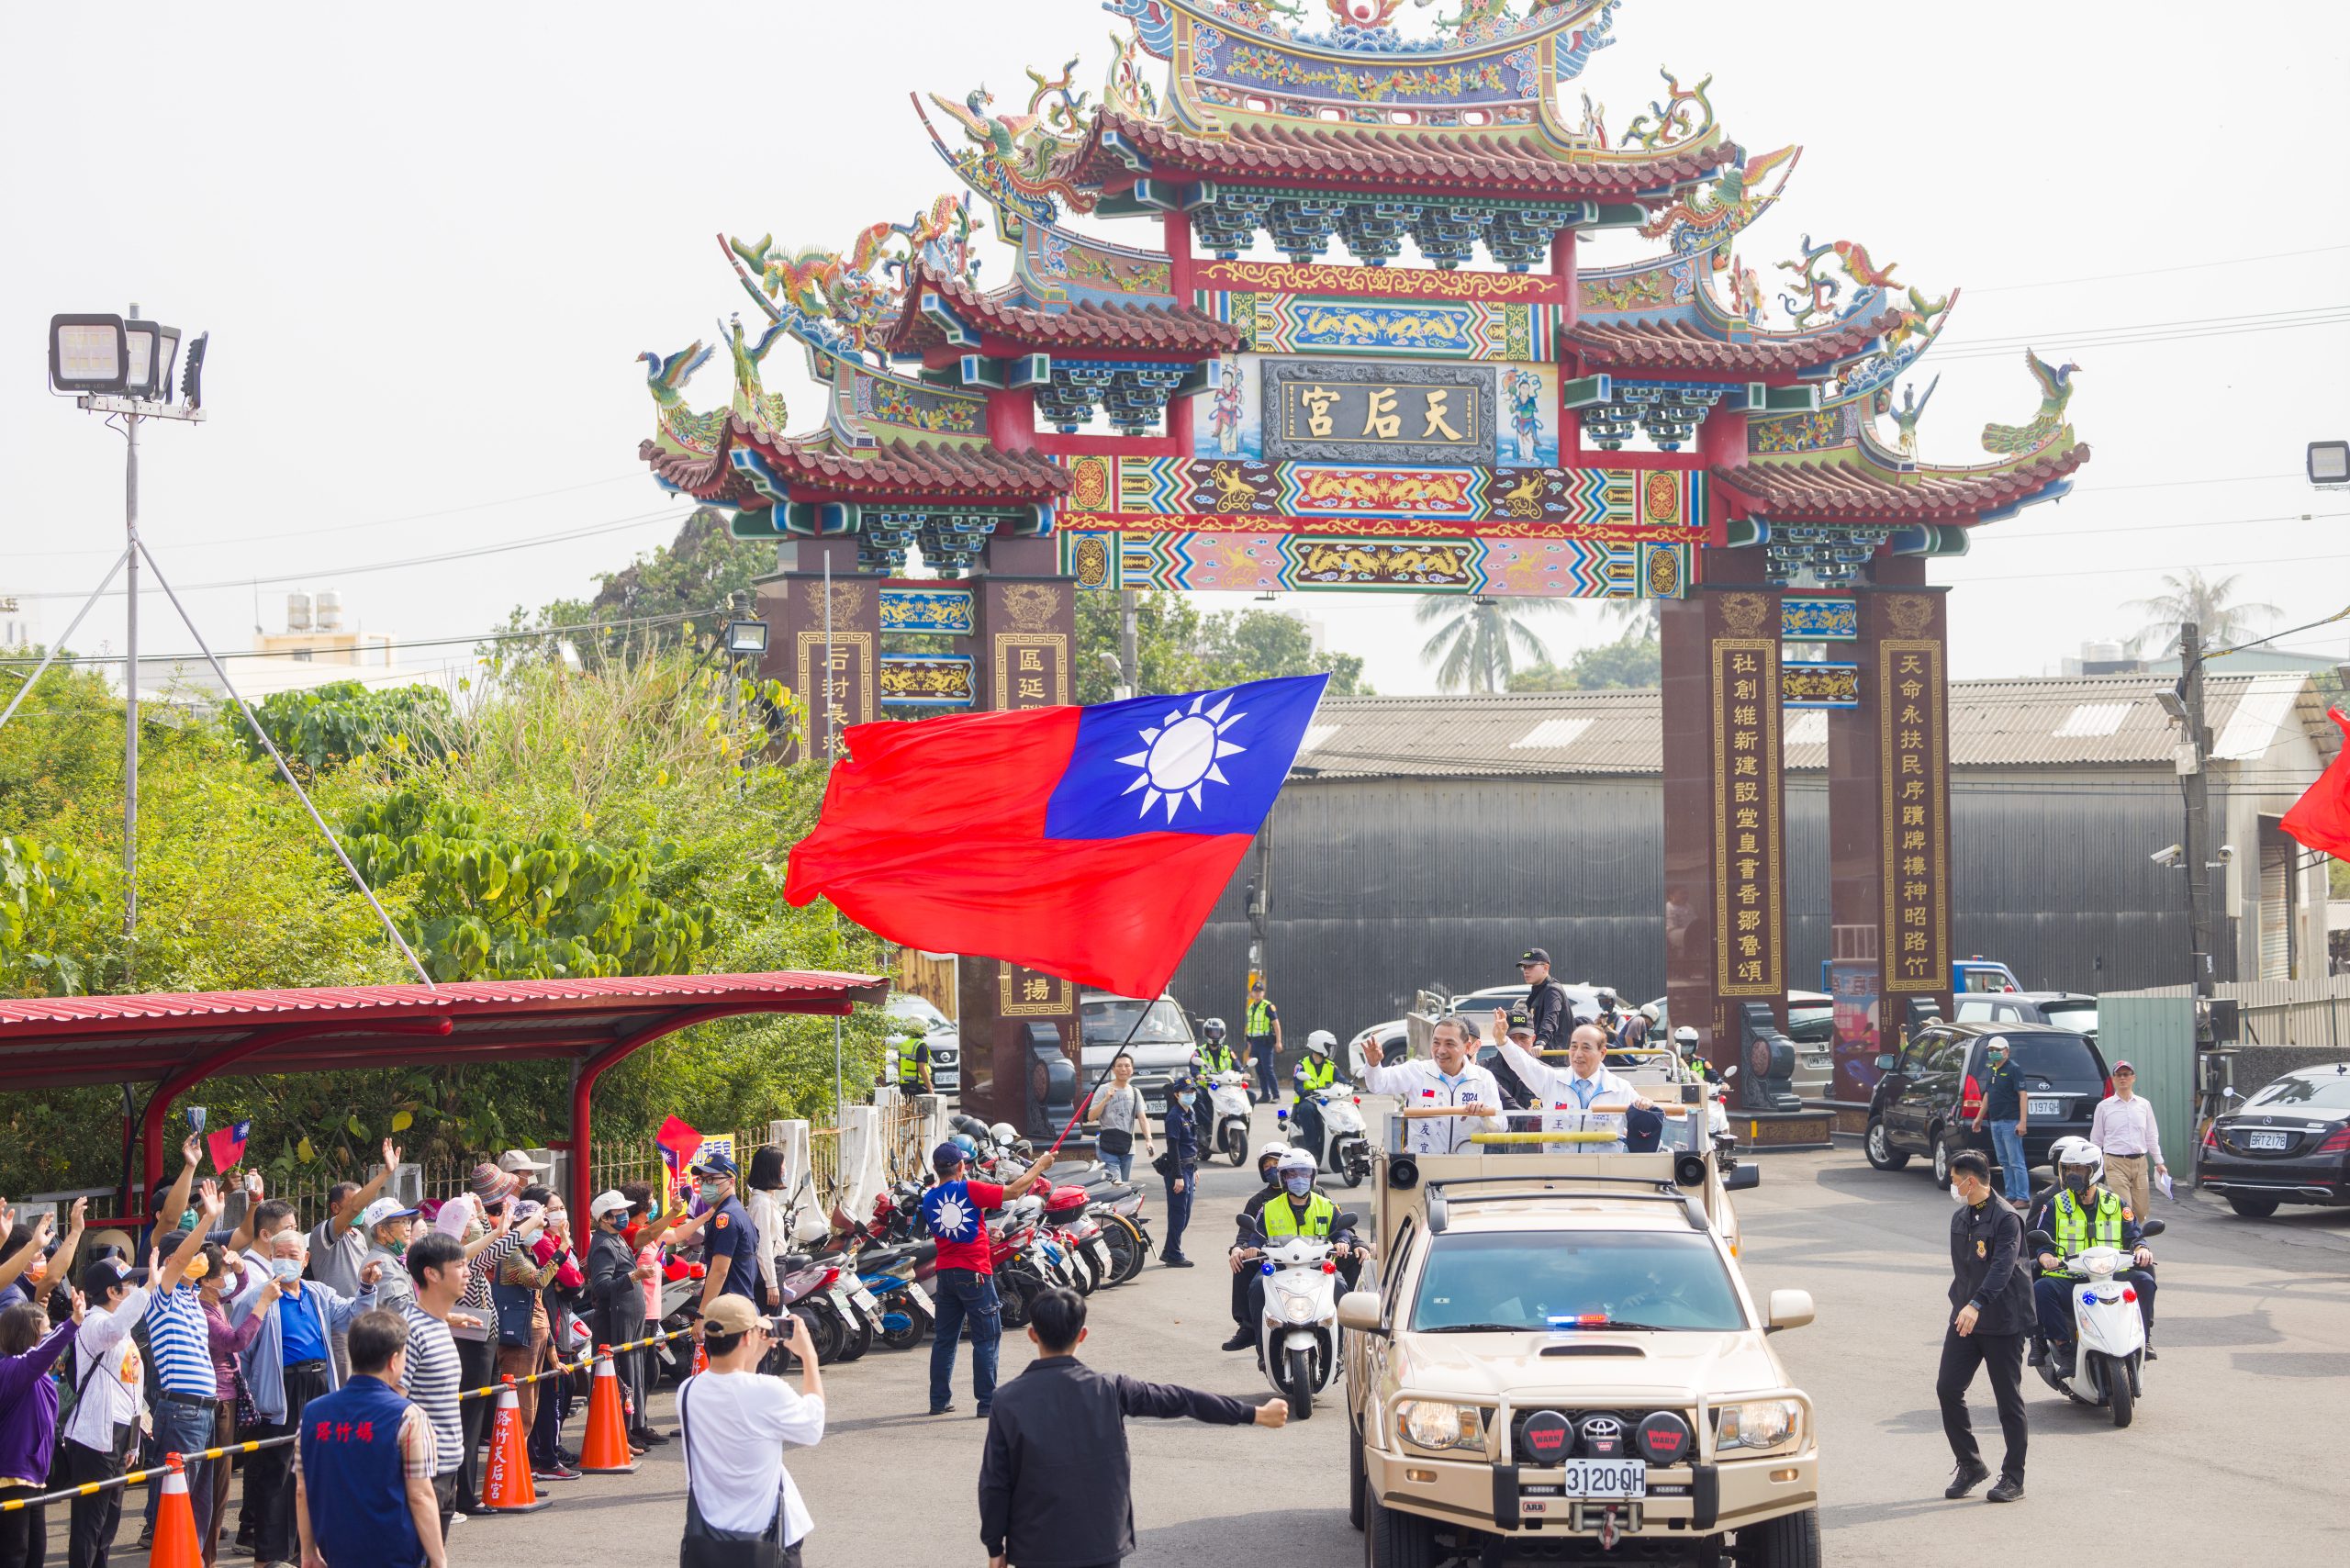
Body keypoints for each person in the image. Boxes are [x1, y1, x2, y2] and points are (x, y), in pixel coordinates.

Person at [979, 1288, 1286, 1568]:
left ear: (1033, 1335)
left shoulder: (1007, 1401)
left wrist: (995, 1547)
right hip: (1101, 1543)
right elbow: (1183, 1400)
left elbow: (995, 1483)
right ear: (1082, 1334)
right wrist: (1254, 1414)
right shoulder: (1111, 1389)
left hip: (1036, 1549)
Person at [230, 1215, 385, 1567]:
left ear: (305, 1259)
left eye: (293, 1254)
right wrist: (251, 1395)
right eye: (280, 1253)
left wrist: (365, 1287)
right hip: (279, 1387)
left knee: (316, 1466)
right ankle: (271, 1555)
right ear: (271, 1258)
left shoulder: (317, 1293)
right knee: (278, 1471)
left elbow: (352, 1316)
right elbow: (241, 1350)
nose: (287, 1259)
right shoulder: (256, 1297)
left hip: (318, 1383)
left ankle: (308, 1550)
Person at [675, 1294, 823, 1567]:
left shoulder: (688, 1390)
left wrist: (752, 1359)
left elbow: (737, 1399)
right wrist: (809, 1356)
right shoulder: (767, 1390)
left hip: (708, 1540)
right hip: (766, 1540)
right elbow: (812, 1428)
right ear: (746, 1338)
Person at [294, 1308, 445, 1568]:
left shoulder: (311, 1415)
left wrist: (308, 1551)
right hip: (394, 1552)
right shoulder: (408, 1416)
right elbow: (420, 1495)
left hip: (337, 1551)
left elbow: (302, 1490)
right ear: (393, 1360)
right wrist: (439, 1559)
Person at [920, 1140, 1057, 1418]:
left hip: (946, 1274)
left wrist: (987, 1234)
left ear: (935, 1169)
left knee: (945, 1340)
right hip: (974, 1273)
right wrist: (1040, 1166)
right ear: (961, 1166)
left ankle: (939, 1400)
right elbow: (1014, 1190)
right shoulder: (969, 1188)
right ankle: (987, 1402)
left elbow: (958, 1227)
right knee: (986, 1338)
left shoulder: (930, 1199)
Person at [141, 1184, 230, 1553]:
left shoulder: (192, 1296)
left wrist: (233, 1266)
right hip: (183, 1409)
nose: (200, 1259)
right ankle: (174, 1557)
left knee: (199, 1500)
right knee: (179, 1498)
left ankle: (189, 1557)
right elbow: (177, 1261)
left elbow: (233, 1281)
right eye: (192, 1252)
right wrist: (208, 1218)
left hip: (202, 1408)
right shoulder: (162, 1295)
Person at [1938, 1150, 2030, 1505]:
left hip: (2002, 1320)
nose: (1951, 1184)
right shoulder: (1960, 1217)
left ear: (1970, 1181)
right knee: (1948, 1389)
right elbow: (1964, 1270)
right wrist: (1963, 1305)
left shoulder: (2007, 1219)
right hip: (1966, 1318)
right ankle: (1970, 1464)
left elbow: (2002, 1269)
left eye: (1954, 1177)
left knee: (2008, 1401)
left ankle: (2014, 1477)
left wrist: (1976, 1304)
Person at [2024, 1138, 2158, 1367]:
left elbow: (2135, 1235)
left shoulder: (2116, 1203)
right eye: (2067, 1170)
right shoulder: (2054, 1204)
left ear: (2095, 1171)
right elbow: (2040, 1240)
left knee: (2145, 1279)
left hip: (2112, 1276)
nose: (2072, 1175)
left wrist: (2142, 1248)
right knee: (2041, 1289)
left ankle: (2143, 1339)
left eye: (2080, 1169)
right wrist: (2046, 1256)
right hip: (2071, 1278)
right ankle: (2062, 1347)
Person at [1226, 1153, 1365, 1369]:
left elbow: (1342, 1232)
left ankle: (1339, 1350)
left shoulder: (1326, 1205)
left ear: (1312, 1177)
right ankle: (1263, 1351)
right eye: (1292, 1174)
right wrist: (1251, 1248)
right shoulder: (1268, 1207)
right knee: (1256, 1287)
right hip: (1280, 1268)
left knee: (1339, 1285)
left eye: (1304, 1173)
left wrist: (1343, 1243)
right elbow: (1255, 1236)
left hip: (1318, 1267)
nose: (1298, 1179)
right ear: (1283, 1178)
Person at [397, 1234, 472, 1539]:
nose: (467, 1273)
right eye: (460, 1265)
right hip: (423, 1472)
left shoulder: (439, 1323)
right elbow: (393, 1403)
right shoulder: (410, 1329)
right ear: (431, 1274)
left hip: (446, 1465)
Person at [308, 1141, 402, 1380]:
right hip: (340, 1323)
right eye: (354, 1203)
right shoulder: (324, 1235)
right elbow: (353, 1209)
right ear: (335, 1208)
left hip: (364, 1319)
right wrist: (385, 1174)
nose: (361, 1208)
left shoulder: (359, 1235)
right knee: (344, 1382)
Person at [1494, 1015, 1658, 1153]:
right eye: (1574, 1047)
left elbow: (1645, 1129)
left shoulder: (1621, 1089)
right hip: (1559, 1177)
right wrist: (1503, 1041)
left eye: (1586, 1048)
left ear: (1602, 1053)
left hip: (1605, 1177)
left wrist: (1646, 1106)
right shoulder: (1552, 1081)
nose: (1578, 1054)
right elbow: (1523, 1064)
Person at [196, 1245, 265, 1568]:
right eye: (221, 1274)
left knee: (220, 1481)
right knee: (217, 1482)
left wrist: (238, 1268)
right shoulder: (205, 1311)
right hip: (219, 1400)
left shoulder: (214, 1301)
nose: (226, 1280)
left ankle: (205, 1549)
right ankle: (205, 1556)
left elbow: (240, 1286)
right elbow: (236, 1341)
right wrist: (261, 1306)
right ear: (208, 1281)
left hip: (228, 1396)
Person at [2, 1292, 81, 1568]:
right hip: (12, 1477)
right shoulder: (11, 1369)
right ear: (31, 1336)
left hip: (36, 1477)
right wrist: (72, 1323)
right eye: (46, 1330)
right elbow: (41, 1354)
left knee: (36, 1551)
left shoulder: (40, 1375)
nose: (52, 1337)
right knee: (14, 1552)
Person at [1360, 1015, 1505, 1155]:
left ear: (1467, 1047)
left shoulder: (1483, 1078)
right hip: (1423, 1167)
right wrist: (1373, 1064)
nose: (1441, 1050)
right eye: (1436, 1043)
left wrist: (1485, 1115)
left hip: (1468, 1169)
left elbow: (1500, 1128)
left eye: (1449, 1044)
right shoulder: (1417, 1071)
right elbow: (1378, 1084)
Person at [584, 1190, 653, 1444]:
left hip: (630, 1319)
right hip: (615, 1322)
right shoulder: (603, 1245)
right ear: (605, 1218)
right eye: (619, 1212)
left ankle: (633, 1428)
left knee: (633, 1372)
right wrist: (634, 1277)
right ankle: (620, 1433)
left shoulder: (616, 1239)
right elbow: (601, 1287)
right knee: (620, 1377)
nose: (625, 1216)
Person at [1219, 1146, 1293, 1351]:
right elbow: (1246, 1235)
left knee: (1350, 1265)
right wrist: (1239, 1248)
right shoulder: (1260, 1203)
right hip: (1274, 1262)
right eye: (1267, 1166)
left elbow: (1340, 1226)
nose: (1272, 1170)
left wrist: (1354, 1243)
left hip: (1313, 1261)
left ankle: (1346, 1328)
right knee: (1242, 1263)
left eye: (1276, 1165)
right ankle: (1249, 1328)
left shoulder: (1317, 1197)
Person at [2087, 1061, 2167, 1224]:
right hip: (2114, 1162)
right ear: (2114, 1079)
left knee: (2141, 1212)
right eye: (2119, 1075)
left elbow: (2151, 1135)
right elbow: (2096, 1139)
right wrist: (2093, 1166)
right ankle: (2127, 1244)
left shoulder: (2143, 1105)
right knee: (2125, 1207)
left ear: (2133, 1078)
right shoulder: (2104, 1107)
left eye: (2126, 1074)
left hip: (2139, 1163)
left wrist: (2159, 1162)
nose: (2123, 1078)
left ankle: (2135, 1240)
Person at [688, 1153, 763, 1318]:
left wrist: (702, 1315)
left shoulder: (726, 1218)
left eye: (711, 1179)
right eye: (703, 1180)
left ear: (731, 1181)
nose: (705, 1185)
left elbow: (719, 1271)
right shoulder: (735, 1212)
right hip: (739, 1306)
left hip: (730, 1311)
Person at [1969, 1036, 2032, 1204]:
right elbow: (1988, 1095)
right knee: (2004, 1161)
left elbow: (2023, 1095)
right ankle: (2011, 1195)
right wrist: (1979, 1117)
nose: (1994, 1053)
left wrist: (2022, 1121)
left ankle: (2023, 1197)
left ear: (2007, 1051)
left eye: (1997, 1050)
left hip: (2010, 1121)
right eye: (1991, 1050)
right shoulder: (1991, 1070)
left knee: (2016, 1161)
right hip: (1996, 1121)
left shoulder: (2013, 1069)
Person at [1086, 1056, 1152, 1184]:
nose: (1123, 1069)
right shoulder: (1103, 1090)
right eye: (1119, 1066)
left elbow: (1142, 1119)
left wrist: (1148, 1140)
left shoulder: (1135, 1092)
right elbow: (1091, 1117)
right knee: (1116, 1184)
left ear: (1132, 1069)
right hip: (1108, 1145)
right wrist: (1105, 1100)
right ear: (1113, 1069)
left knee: (1124, 1185)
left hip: (1128, 1146)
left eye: (1127, 1066)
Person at [355, 1197, 422, 1317]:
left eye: (408, 1221)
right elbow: (400, 1308)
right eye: (402, 1222)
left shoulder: (388, 1258)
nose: (408, 1227)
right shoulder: (383, 1262)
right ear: (382, 1231)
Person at [1159, 1077, 1199, 1269]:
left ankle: (1169, 1250)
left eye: (1192, 1092)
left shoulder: (1190, 1113)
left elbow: (1192, 1144)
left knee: (1186, 1213)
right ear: (1176, 1094)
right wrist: (1177, 1175)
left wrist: (1195, 1169)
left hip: (1189, 1168)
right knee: (1178, 1214)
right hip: (1179, 1169)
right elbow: (1173, 1147)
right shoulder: (1174, 1116)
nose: (1190, 1095)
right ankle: (1174, 1253)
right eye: (1186, 1092)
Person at [1290, 1031, 1338, 1160]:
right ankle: (1312, 1148)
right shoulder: (1302, 1065)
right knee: (1306, 1110)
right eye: (1329, 1047)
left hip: (1326, 1101)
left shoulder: (1330, 1066)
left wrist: (1352, 1085)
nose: (1331, 1050)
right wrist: (1304, 1091)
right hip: (1307, 1100)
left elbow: (1341, 1079)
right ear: (1319, 1046)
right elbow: (1297, 1084)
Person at [1517, 947, 1569, 1054]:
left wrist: (1541, 1042)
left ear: (1545, 968)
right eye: (1524, 967)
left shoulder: (1552, 990)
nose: (1526, 971)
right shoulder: (1538, 990)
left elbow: (1550, 1017)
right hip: (1542, 1054)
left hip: (1555, 1057)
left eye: (1530, 966)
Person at [1243, 980, 1282, 1105]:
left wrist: (1278, 1042)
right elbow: (1250, 1025)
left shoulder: (1267, 1006)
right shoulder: (1251, 1007)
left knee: (1268, 1069)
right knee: (1259, 1070)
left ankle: (1276, 1095)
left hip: (1265, 1042)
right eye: (1255, 991)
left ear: (1263, 993)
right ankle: (1265, 1095)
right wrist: (1249, 1042)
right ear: (1252, 993)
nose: (1257, 993)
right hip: (1255, 1042)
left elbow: (1276, 1024)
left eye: (1260, 992)